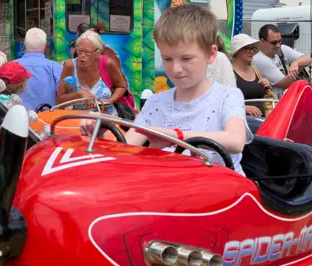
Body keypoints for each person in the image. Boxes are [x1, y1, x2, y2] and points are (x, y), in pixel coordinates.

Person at [80, 5, 252, 176]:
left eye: (186, 58)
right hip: (172, 188)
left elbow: (236, 140)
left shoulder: (228, 96)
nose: (176, 69)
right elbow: (127, 146)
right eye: (167, 59)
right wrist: (101, 131)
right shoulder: (157, 103)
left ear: (211, 54)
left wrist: (175, 136)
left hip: (223, 188)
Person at [57, 30, 127, 116]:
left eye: (87, 52)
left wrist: (110, 100)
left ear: (98, 52)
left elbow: (121, 86)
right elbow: (59, 100)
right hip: (79, 123)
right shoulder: (70, 66)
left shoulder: (107, 64)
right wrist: (78, 94)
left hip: (107, 121)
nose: (82, 55)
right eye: (79, 50)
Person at [251, 24, 312, 99]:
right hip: (273, 105)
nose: (278, 45)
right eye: (273, 42)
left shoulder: (282, 50)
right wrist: (298, 68)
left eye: (280, 41)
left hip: (285, 101)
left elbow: (308, 59)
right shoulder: (259, 59)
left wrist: (296, 63)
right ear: (262, 41)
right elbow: (285, 83)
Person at [14, 27, 63, 111]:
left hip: (19, 118)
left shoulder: (11, 66)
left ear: (24, 46)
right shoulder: (56, 68)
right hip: (48, 120)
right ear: (45, 46)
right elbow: (64, 97)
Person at [231, 34, 273, 117]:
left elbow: (266, 97)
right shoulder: (229, 73)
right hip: (241, 122)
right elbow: (223, 101)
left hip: (262, 122)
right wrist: (244, 107)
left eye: (253, 48)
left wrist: (267, 86)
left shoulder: (255, 70)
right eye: (246, 48)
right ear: (237, 51)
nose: (251, 51)